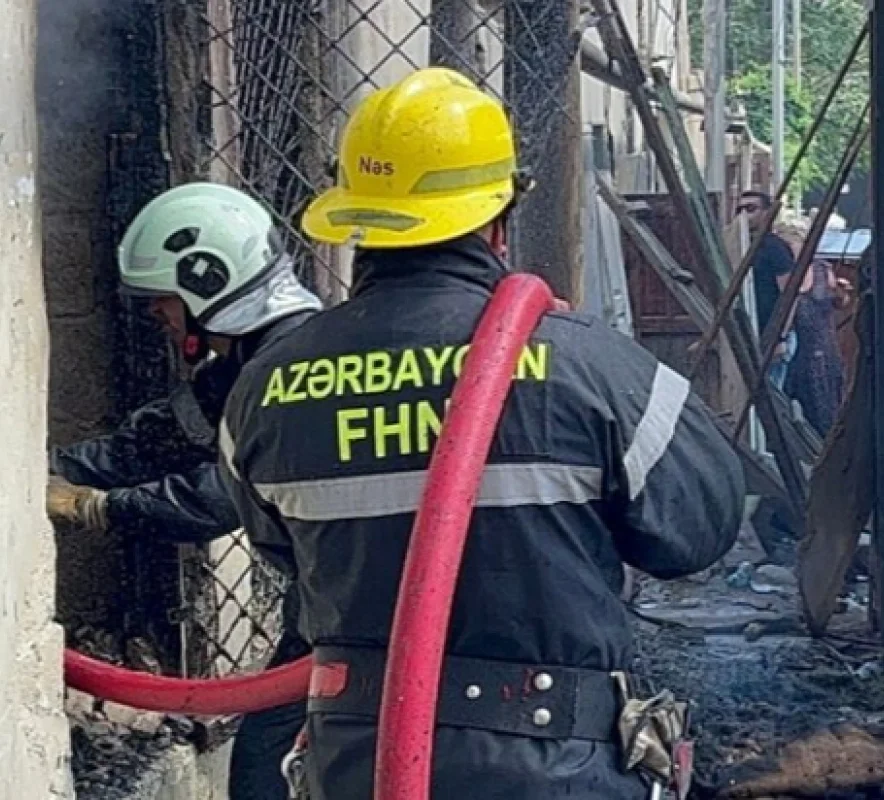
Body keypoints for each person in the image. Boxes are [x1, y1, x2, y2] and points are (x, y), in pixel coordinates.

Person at [218, 67, 745, 798]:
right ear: (499, 219)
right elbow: (701, 528)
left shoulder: (265, 390)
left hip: (357, 765)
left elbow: (284, 553)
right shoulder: (587, 365)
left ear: (356, 218)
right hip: (559, 771)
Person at [45, 182, 322, 800]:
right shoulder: (249, 363)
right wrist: (48, 470)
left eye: (162, 299)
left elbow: (222, 495)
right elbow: (152, 445)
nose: (154, 315)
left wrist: (97, 507)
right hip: (331, 610)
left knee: (262, 775)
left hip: (354, 618)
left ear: (207, 283)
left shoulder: (291, 369)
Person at [774, 219, 850, 437]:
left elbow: (838, 301)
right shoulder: (783, 274)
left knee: (823, 399)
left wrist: (840, 293)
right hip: (795, 344)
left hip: (820, 341)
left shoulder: (821, 269)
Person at [736, 190, 798, 389]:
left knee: (770, 399)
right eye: (739, 210)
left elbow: (789, 295)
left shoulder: (774, 248)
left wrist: (780, 337)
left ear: (766, 213)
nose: (744, 215)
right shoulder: (740, 248)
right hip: (751, 336)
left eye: (751, 209)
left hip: (773, 339)